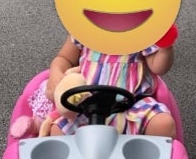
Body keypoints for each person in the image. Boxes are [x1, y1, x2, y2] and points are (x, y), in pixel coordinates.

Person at [40, 29, 177, 138]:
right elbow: (64, 58)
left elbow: (158, 67)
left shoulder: (142, 33)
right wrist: (56, 72)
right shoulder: (83, 30)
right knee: (57, 131)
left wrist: (166, 47)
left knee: (163, 124)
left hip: (131, 107)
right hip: (86, 108)